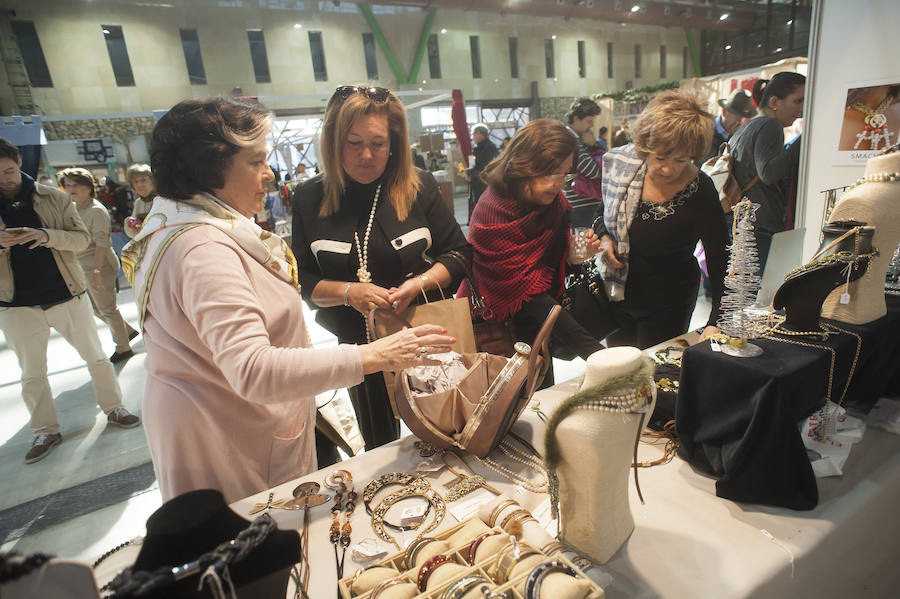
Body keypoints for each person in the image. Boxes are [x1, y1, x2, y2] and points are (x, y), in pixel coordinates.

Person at [122, 96, 453, 503]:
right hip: (226, 433)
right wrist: (379, 355)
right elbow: (254, 369)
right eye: (256, 162)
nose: (268, 175)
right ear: (211, 168)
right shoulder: (203, 249)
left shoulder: (183, 224)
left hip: (222, 414)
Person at [292, 85, 471, 458]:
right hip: (358, 346)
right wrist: (347, 292)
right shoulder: (310, 198)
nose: (367, 155)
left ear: (395, 142)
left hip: (426, 331)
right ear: (332, 140)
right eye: (353, 142)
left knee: (450, 429)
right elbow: (302, 280)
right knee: (381, 447)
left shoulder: (417, 185)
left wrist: (419, 283)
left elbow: (458, 254)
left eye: (379, 142)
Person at [0, 137, 140, 465]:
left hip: (66, 293)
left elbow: (82, 240)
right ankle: (45, 430)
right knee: (32, 372)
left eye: (7, 170)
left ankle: (114, 408)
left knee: (96, 358)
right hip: (15, 303)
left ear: (19, 164)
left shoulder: (53, 199)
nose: (4, 179)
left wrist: (45, 236)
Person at [460, 119, 604, 378]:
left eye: (564, 173)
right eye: (550, 173)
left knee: (541, 400)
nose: (559, 184)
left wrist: (571, 256)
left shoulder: (553, 203)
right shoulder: (492, 212)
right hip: (494, 329)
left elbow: (546, 266)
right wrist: (595, 353)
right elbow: (527, 292)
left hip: (539, 327)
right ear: (521, 166)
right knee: (504, 410)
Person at [593, 90, 728, 349]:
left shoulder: (700, 189)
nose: (668, 168)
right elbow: (601, 212)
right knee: (619, 374)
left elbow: (720, 256)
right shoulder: (624, 167)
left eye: (681, 159)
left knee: (655, 375)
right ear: (644, 146)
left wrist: (716, 320)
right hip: (617, 295)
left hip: (669, 302)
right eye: (660, 157)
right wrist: (605, 239)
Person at [728, 72, 806, 270]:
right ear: (774, 101)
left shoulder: (748, 127)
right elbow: (768, 173)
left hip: (743, 222)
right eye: (797, 101)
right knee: (759, 292)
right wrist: (801, 141)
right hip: (760, 224)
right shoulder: (770, 125)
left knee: (744, 291)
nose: (801, 109)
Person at [60, 167, 139, 362]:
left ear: (88, 186)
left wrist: (96, 272)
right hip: (80, 265)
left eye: (75, 185)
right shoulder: (73, 208)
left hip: (99, 263)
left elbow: (102, 243)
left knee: (107, 307)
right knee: (96, 308)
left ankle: (123, 347)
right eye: (67, 185)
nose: (71, 189)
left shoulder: (96, 211)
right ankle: (126, 332)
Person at [562, 97, 604, 227]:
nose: (591, 125)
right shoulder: (568, 141)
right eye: (589, 121)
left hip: (585, 206)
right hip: (581, 208)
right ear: (575, 118)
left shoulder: (579, 140)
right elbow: (594, 171)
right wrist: (593, 146)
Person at [704, 89, 756, 162]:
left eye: (743, 117)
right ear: (724, 112)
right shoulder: (705, 129)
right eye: (736, 115)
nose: (740, 121)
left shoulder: (739, 135)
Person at [464, 123, 499, 221]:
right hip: (479, 183)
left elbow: (483, 167)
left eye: (473, 134)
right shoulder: (480, 147)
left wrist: (468, 172)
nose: (472, 137)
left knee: (485, 209)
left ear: (480, 134)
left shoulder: (488, 147)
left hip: (485, 184)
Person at [123, 163, 156, 239]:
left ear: (152, 182)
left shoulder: (161, 200)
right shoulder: (138, 202)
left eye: (143, 180)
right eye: (136, 182)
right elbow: (133, 232)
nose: (139, 185)